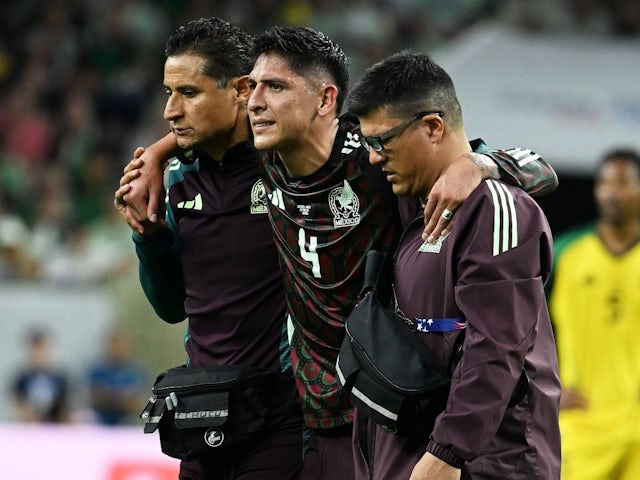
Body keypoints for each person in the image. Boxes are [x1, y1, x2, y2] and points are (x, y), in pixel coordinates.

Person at [117, 25, 558, 479]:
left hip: (393, 410)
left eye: (274, 87)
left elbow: (536, 170)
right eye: (254, 89)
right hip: (317, 415)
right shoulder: (266, 157)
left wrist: (479, 163)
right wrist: (156, 154)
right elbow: (212, 119)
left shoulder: (374, 162)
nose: (255, 103)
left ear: (324, 101)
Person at [345, 51, 561, 479]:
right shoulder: (407, 198)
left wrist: (447, 453)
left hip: (483, 463)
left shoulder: (495, 211)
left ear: (432, 127)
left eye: (380, 142)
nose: (372, 157)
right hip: (414, 454)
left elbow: (495, 348)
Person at [115, 17, 304, 480]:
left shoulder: (291, 163)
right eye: (168, 92)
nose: (170, 110)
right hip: (203, 412)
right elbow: (172, 307)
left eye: (189, 93)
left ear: (241, 90)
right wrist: (148, 236)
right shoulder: (175, 181)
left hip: (283, 411)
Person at [549, 149, 640, 480]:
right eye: (604, 182)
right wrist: (546, 387)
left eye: (623, 182)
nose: (611, 192)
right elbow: (524, 326)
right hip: (581, 422)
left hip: (637, 426)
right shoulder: (565, 254)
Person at [87, 329, 147, 426]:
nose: (117, 348)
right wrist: (122, 399)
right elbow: (95, 399)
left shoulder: (135, 372)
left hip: (127, 420)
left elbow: (138, 402)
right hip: (102, 419)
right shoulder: (97, 371)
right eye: (114, 345)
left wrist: (111, 397)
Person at [10, 328, 70, 423]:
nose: (39, 354)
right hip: (29, 427)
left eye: (42, 349)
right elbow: (15, 404)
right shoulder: (22, 378)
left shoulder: (59, 378)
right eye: (36, 350)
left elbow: (66, 406)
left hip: (54, 427)